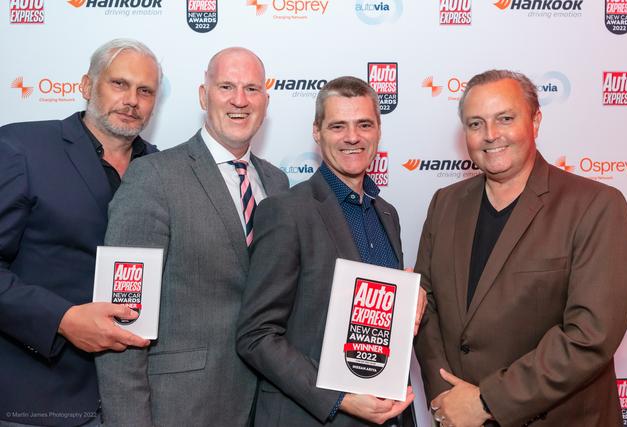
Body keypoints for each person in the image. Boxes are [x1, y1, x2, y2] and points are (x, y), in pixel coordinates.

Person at [414, 69, 627, 427]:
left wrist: (487, 402)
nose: (491, 134)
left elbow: (590, 336)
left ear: (535, 121)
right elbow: (423, 304)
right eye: (476, 124)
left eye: (505, 118)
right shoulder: (445, 203)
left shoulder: (596, 205)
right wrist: (446, 398)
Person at [95, 47, 289, 427]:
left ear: (265, 102)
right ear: (204, 96)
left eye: (252, 89)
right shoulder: (152, 177)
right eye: (226, 87)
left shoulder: (278, 183)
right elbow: (122, 320)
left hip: (266, 407)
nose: (239, 100)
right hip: (181, 408)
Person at [236, 76, 426, 426]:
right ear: (317, 132)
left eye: (364, 124)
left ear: (378, 131)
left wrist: (411, 299)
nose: (352, 137)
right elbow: (256, 335)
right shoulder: (287, 211)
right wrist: (341, 399)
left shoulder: (387, 214)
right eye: (338, 126)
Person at [0, 38, 160, 427]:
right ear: (87, 86)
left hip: (132, 400)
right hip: (35, 396)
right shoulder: (22, 148)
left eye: (145, 91)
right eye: (119, 84)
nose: (132, 100)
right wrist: (63, 319)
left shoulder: (161, 167)